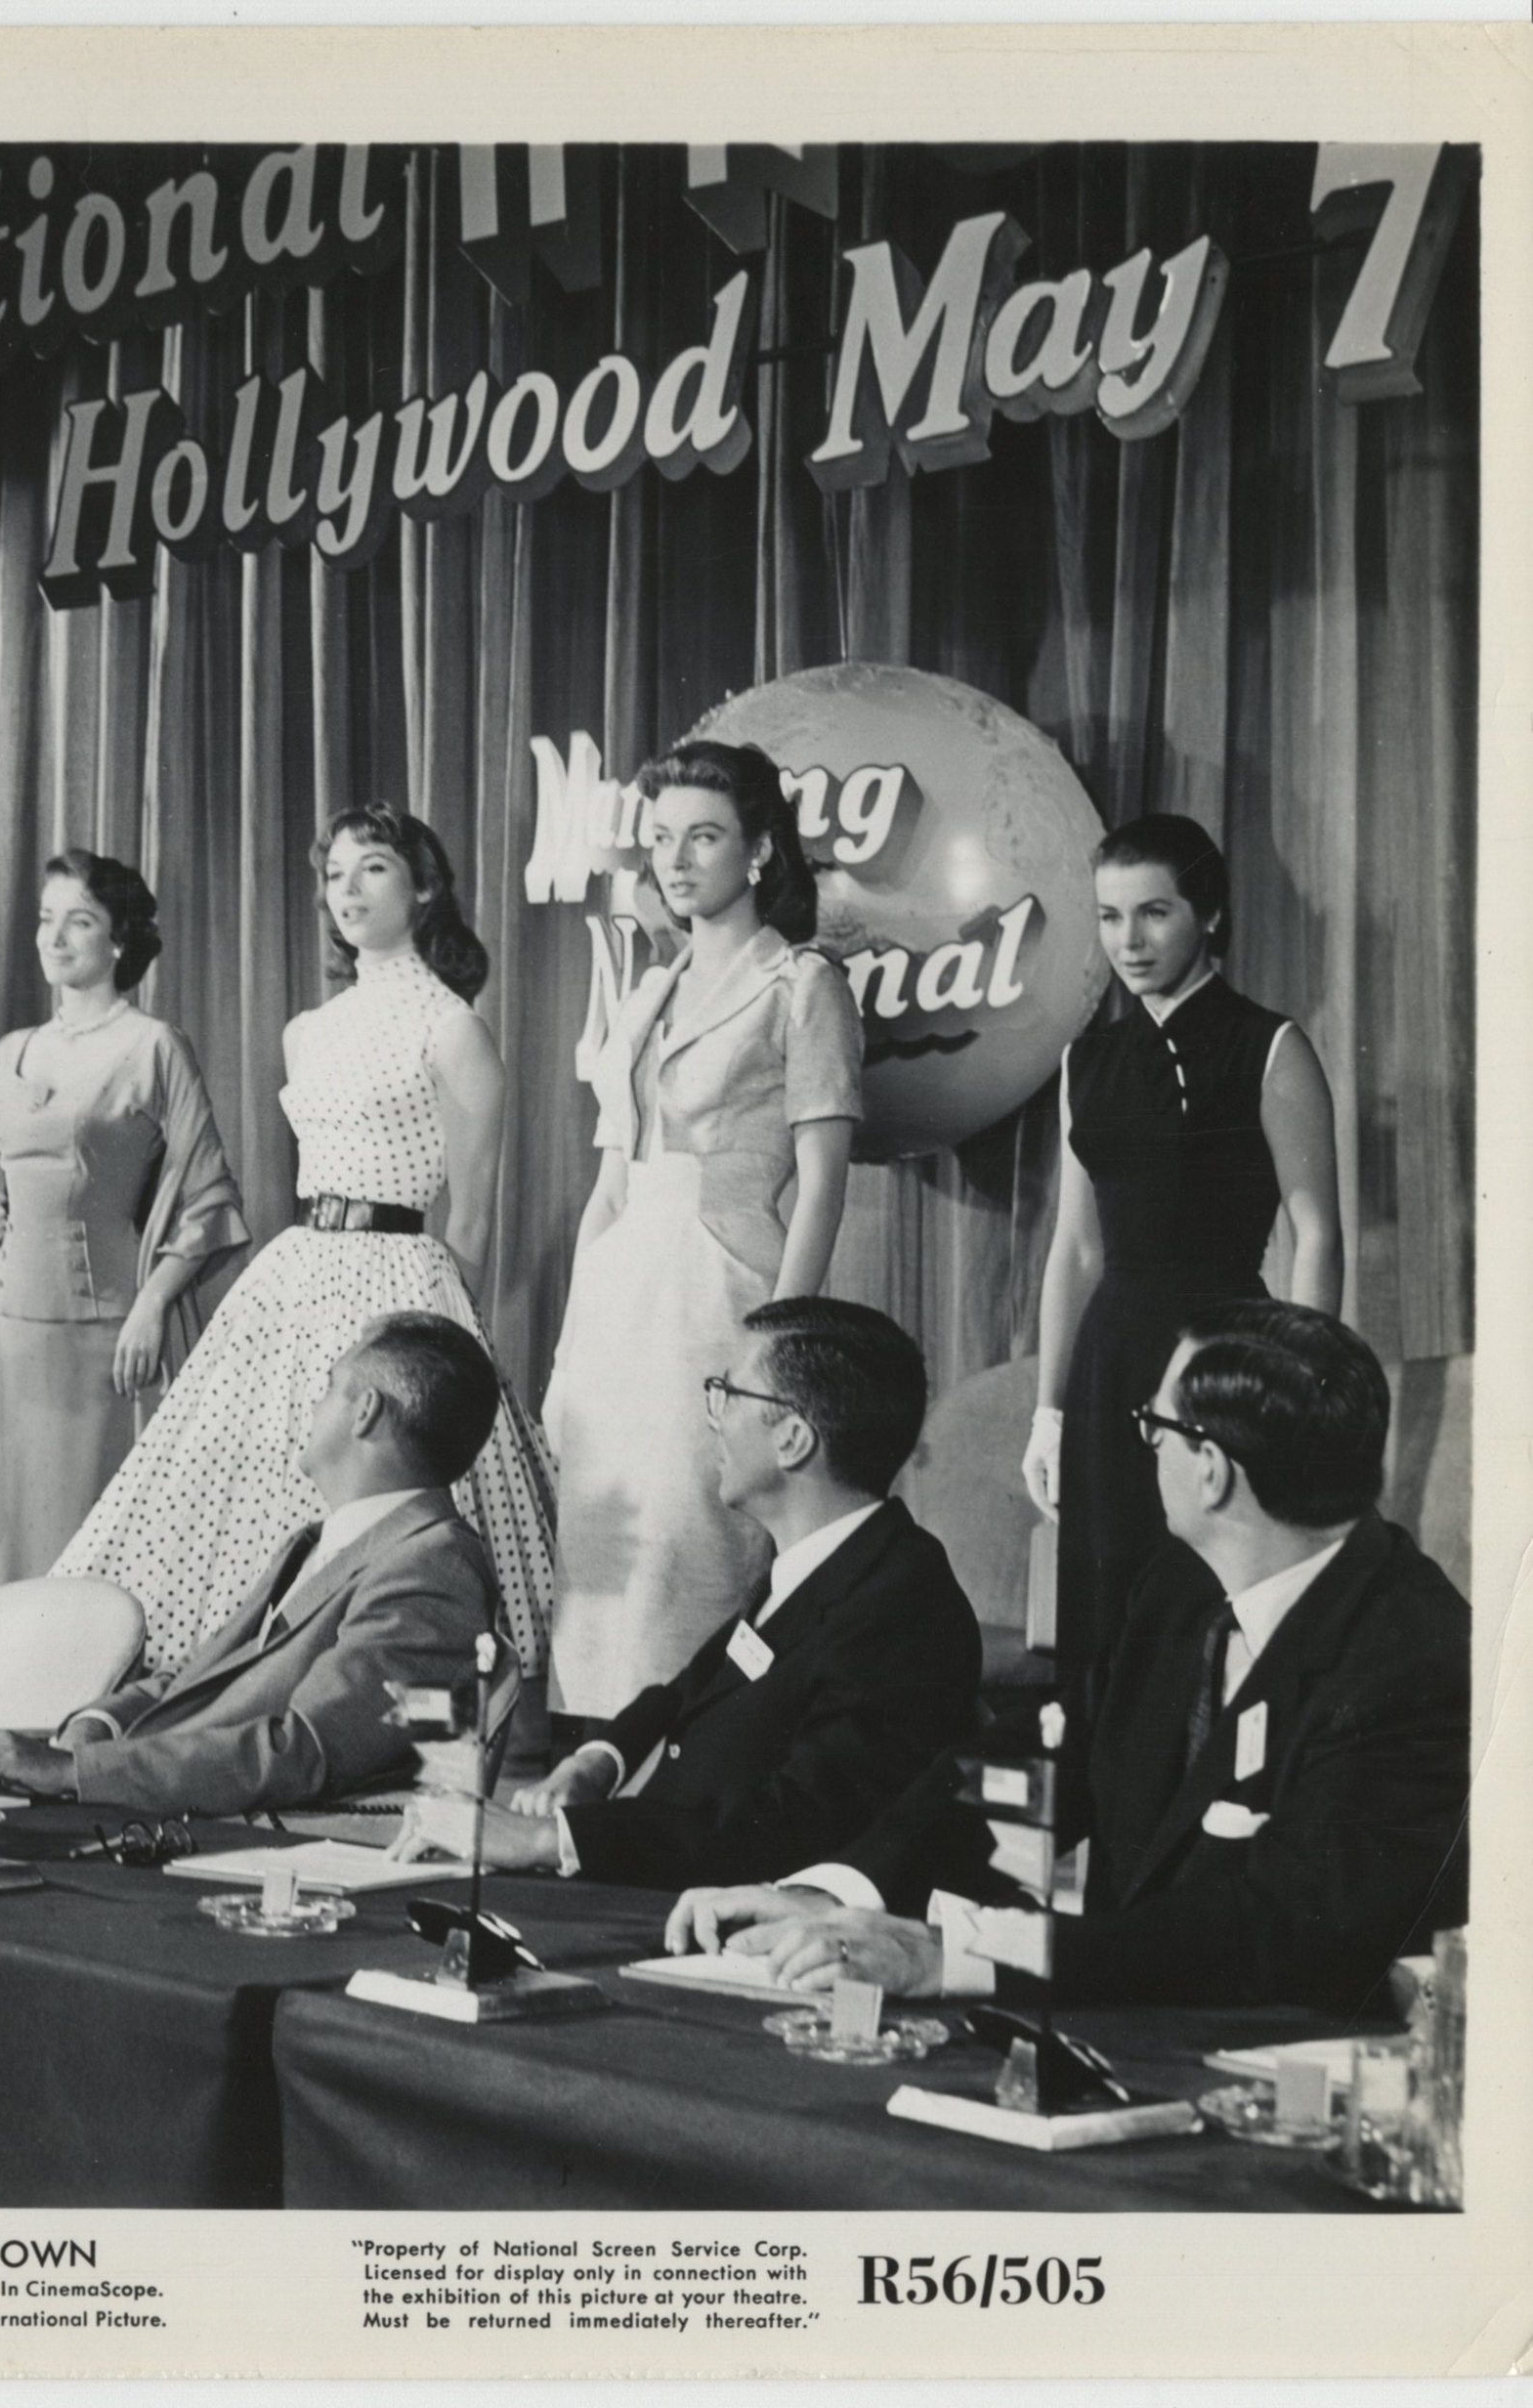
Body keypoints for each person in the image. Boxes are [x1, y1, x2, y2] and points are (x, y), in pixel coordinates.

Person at [666, 1302, 1466, 2012]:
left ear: (1212, 1473)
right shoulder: (1180, 1593)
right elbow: (1038, 1771)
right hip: (1124, 2023)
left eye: (1153, 1428)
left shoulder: (1416, 1660)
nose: (1145, 1450)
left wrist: (963, 1953)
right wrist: (832, 1893)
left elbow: (1278, 1932)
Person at [49, 810, 556, 1691]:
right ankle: (224, 1688)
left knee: (380, 1485)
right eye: (336, 876)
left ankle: (362, 1698)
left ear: (424, 888)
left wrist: (439, 1346)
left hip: (402, 1277)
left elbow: (470, 1221)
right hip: (299, 1271)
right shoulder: (307, 1030)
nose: (349, 891)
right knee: (242, 1490)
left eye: (374, 870)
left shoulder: (453, 1029)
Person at [390, 1298, 979, 1888]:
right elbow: (694, 1688)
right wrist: (599, 1761)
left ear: (794, 1439)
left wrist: (552, 1839)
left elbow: (799, 1823)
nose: (714, 1417)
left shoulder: (902, 1603)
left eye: (729, 1393)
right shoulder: (826, 1562)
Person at [542, 738, 864, 1720]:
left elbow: (821, 1183)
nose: (675, 860)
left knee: (695, 1536)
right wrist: (568, 1338)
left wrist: (779, 1345)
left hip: (720, 1286)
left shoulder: (801, 985)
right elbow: (609, 1180)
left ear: (759, 851)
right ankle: (581, 1768)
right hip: (618, 1290)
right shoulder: (645, 992)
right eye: (661, 839)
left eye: (704, 837)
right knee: (603, 1539)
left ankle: (678, 1760)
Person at [1023, 812, 1341, 1711]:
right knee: (1106, 1620)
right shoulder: (1086, 1061)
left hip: (1221, 1364)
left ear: (1207, 913)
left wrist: (1298, 1394)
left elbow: (1315, 1236)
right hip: (1108, 1361)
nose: (1130, 939)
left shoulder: (1270, 1046)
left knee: (1204, 1620)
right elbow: (1077, 1248)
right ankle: (1106, 1841)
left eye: (1153, 912)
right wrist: (1048, 1412)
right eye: (1111, 916)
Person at [0, 1312, 505, 1817]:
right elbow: (199, 1677)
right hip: (170, 1805)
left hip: (252, 1841)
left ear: (366, 1413)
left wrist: (74, 1773)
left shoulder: (433, 1567)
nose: (313, 1405)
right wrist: (100, 1722)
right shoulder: (315, 1545)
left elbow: (301, 1751)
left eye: (330, 1386)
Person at [0, 851, 249, 1580]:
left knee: (90, 1543)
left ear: (118, 940)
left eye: (78, 921)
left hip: (109, 1338)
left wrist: (152, 1306)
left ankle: (97, 1694)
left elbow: (212, 1198)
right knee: (16, 1548)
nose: (55, 937)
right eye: (47, 919)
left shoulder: (155, 1047)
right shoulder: (12, 1052)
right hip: (14, 1334)